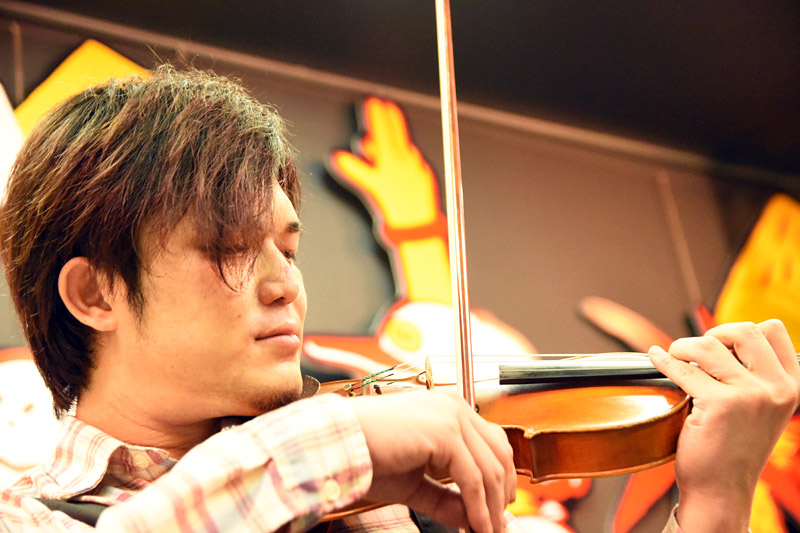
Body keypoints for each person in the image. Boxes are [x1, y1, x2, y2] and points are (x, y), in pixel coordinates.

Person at [0, 66, 796, 533]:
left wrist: (716, 496)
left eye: (289, 248)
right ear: (95, 293)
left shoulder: (375, 504)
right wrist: (331, 444)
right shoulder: (27, 512)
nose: (286, 285)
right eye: (228, 248)